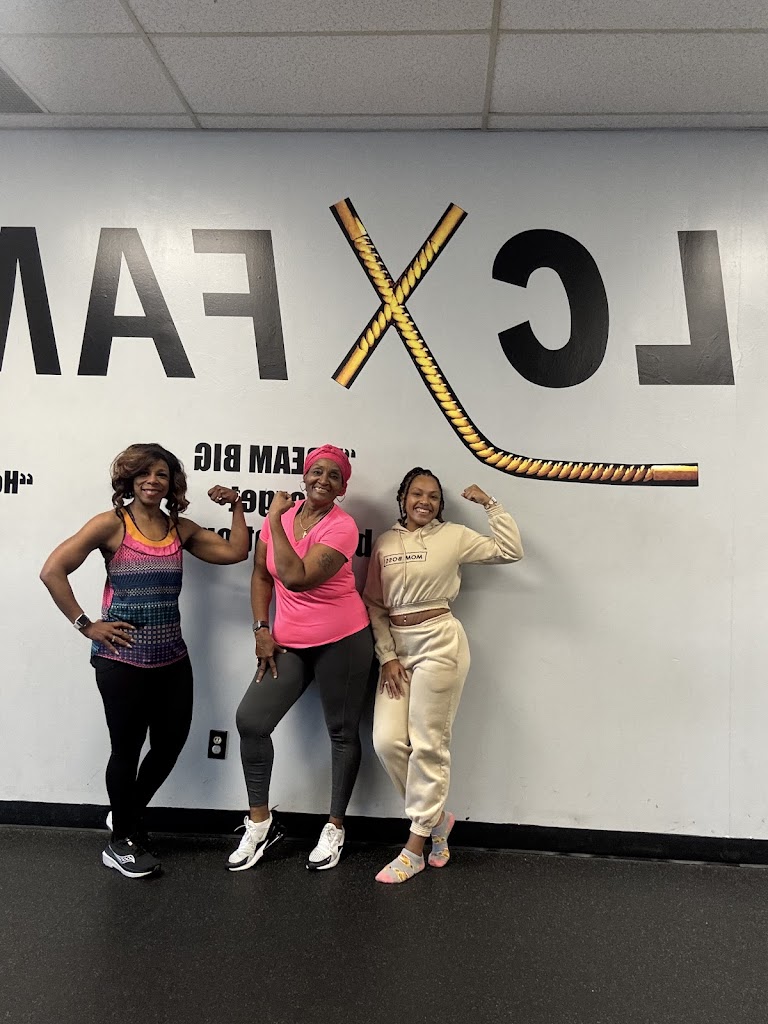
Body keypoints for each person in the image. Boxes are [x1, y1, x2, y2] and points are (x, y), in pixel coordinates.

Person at [40, 442, 249, 879]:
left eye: (162, 475)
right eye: (145, 474)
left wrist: (236, 507)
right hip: (121, 660)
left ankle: (126, 816)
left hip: (172, 657)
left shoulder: (180, 529)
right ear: (130, 480)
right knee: (127, 749)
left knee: (170, 743)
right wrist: (86, 624)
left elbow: (235, 552)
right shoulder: (111, 524)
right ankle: (120, 843)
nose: (153, 481)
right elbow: (52, 570)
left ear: (172, 484)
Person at [363, 467, 523, 883]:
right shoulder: (385, 543)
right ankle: (437, 821)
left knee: (429, 744)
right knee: (387, 742)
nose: (425, 501)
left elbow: (509, 550)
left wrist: (491, 504)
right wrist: (387, 656)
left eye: (433, 496)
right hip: (398, 652)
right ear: (403, 498)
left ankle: (415, 847)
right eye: (417, 493)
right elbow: (375, 604)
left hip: (440, 644)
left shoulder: (452, 536)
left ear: (440, 504)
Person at [229, 444, 373, 873]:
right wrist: (261, 628)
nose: (323, 480)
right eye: (317, 472)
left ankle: (335, 826)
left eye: (334, 476)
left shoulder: (342, 527)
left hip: (342, 639)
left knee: (342, 732)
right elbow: (261, 575)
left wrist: (273, 520)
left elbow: (296, 577)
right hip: (288, 642)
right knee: (251, 721)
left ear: (342, 488)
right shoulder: (281, 519)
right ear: (305, 476)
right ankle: (261, 823)